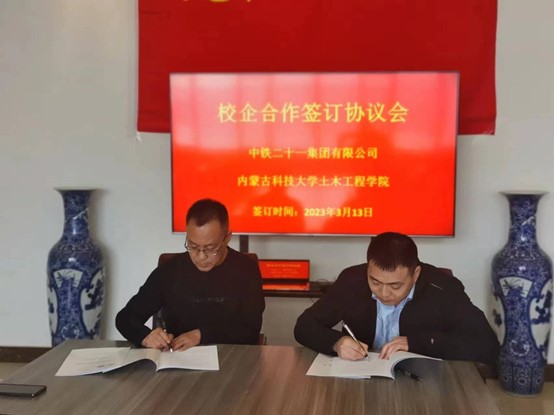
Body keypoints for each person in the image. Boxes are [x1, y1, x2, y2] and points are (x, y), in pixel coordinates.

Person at [294, 232, 499, 364]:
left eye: (395, 286)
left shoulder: (443, 289)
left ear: (415, 274)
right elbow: (304, 325)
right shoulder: (352, 281)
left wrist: (417, 343)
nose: (384, 293)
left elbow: (486, 345)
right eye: (375, 281)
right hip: (360, 379)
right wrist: (337, 343)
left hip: (424, 386)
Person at [116, 198, 265, 351]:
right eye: (193, 246)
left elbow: (250, 330)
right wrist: (145, 336)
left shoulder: (246, 270)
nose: (201, 256)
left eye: (210, 248)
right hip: (178, 358)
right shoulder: (170, 271)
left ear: (227, 238)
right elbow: (125, 318)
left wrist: (200, 335)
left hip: (230, 357)